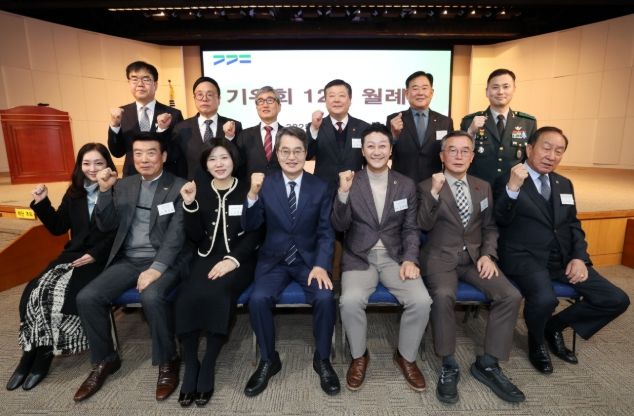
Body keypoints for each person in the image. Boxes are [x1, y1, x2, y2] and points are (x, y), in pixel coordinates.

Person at [494, 126, 629, 374]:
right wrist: (512, 188)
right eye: (546, 148)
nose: (552, 156)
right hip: (526, 257)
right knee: (545, 299)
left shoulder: (563, 183)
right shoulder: (509, 179)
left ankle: (554, 327)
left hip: (564, 259)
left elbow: (572, 224)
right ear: (529, 149)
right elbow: (499, 219)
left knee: (616, 299)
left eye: (559, 151)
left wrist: (579, 257)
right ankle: (536, 341)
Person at [73, 132, 190, 402]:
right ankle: (105, 359)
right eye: (138, 153)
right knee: (87, 297)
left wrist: (156, 269)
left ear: (163, 156)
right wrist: (104, 192)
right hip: (128, 259)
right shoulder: (123, 185)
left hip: (165, 259)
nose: (144, 159)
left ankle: (168, 359)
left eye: (151, 153)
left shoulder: (179, 186)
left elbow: (177, 235)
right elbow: (106, 225)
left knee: (152, 296)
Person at [418, 131, 525, 404]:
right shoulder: (427, 185)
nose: (458, 156)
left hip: (476, 259)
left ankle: (488, 364)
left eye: (465, 150)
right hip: (440, 258)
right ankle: (448, 363)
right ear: (442, 156)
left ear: (472, 156)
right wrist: (433, 193)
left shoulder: (482, 186)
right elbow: (422, 224)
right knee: (443, 295)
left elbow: (490, 227)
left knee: (510, 295)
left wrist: (488, 255)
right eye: (452, 150)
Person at [6, 144, 116, 392]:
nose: (92, 169)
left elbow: (119, 232)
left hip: (101, 257)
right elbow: (58, 226)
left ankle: (44, 355)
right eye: (86, 163)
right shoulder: (75, 193)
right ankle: (29, 352)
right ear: (79, 166)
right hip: (73, 253)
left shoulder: (117, 191)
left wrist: (95, 254)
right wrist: (42, 203)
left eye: (98, 163)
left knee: (60, 294)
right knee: (35, 290)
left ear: (108, 165)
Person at [332, 123, 432, 392]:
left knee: (421, 300)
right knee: (350, 301)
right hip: (359, 257)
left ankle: (406, 356)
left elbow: (411, 228)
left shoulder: (405, 184)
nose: (376, 151)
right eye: (371, 146)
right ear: (363, 151)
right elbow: (339, 225)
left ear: (390, 150)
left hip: (395, 257)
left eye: (382, 146)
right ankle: (359, 356)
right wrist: (342, 193)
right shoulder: (351, 181)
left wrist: (410, 259)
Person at [242, 126, 340, 397]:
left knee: (325, 297)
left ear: (306, 153)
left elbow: (326, 232)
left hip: (309, 261)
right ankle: (268, 359)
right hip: (274, 260)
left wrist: (321, 264)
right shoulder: (266, 184)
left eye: (297, 151)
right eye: (285, 151)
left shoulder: (320, 186)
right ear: (277, 153)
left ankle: (322, 358)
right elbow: (251, 225)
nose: (291, 157)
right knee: (258, 299)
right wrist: (252, 195)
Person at [174, 138, 263, 407]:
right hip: (204, 256)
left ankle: (209, 362)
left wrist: (233, 260)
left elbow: (257, 232)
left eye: (224, 157)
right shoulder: (198, 190)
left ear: (234, 160)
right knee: (186, 296)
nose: (219, 164)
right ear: (205, 164)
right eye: (212, 159)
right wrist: (190, 204)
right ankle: (191, 364)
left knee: (219, 294)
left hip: (240, 260)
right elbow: (193, 236)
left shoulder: (248, 189)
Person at [460, 68, 536, 185]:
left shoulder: (527, 123)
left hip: (513, 186)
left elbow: (531, 160)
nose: (500, 92)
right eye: (495, 87)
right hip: (478, 187)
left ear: (514, 90)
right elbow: (461, 156)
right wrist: (471, 132)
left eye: (506, 87)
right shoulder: (469, 121)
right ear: (487, 92)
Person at [107, 61, 183, 177]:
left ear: (155, 85)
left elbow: (176, 152)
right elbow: (117, 153)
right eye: (134, 79)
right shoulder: (121, 113)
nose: (140, 84)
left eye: (146, 79)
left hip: (165, 178)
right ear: (129, 83)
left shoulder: (173, 114)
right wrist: (115, 125)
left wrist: (162, 130)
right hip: (132, 179)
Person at [386, 71, 454, 184]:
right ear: (406, 93)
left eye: (424, 88)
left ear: (431, 93)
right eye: (415, 88)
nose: (420, 93)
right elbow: (386, 154)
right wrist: (394, 136)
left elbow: (450, 154)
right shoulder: (394, 120)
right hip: (401, 183)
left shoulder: (445, 122)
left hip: (434, 183)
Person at [173, 76, 242, 180]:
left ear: (219, 99)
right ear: (194, 98)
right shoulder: (181, 128)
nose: (204, 99)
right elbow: (178, 163)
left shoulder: (234, 125)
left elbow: (239, 159)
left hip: (225, 185)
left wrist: (229, 138)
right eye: (200, 95)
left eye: (209, 94)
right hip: (193, 186)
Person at [306, 79, 369, 190]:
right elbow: (307, 155)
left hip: (355, 189)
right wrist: (314, 129)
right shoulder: (315, 126)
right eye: (331, 96)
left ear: (350, 100)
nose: (336, 100)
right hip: (323, 190)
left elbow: (368, 162)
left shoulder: (363, 127)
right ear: (325, 101)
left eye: (341, 95)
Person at [234, 86, 282, 182]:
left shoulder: (289, 135)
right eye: (260, 101)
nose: (265, 105)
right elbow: (236, 165)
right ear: (257, 107)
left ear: (279, 107)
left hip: (282, 189)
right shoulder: (244, 135)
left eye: (270, 100)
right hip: (252, 189)